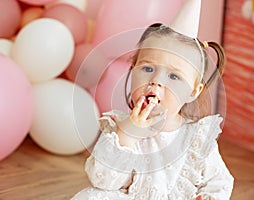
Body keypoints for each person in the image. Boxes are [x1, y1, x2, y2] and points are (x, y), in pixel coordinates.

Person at [72, 0, 234, 199]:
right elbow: (103, 180)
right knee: (92, 196)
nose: (156, 82)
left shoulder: (197, 138)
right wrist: (128, 134)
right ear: (132, 69)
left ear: (193, 91)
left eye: (174, 76)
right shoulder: (119, 126)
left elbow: (220, 181)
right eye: (148, 69)